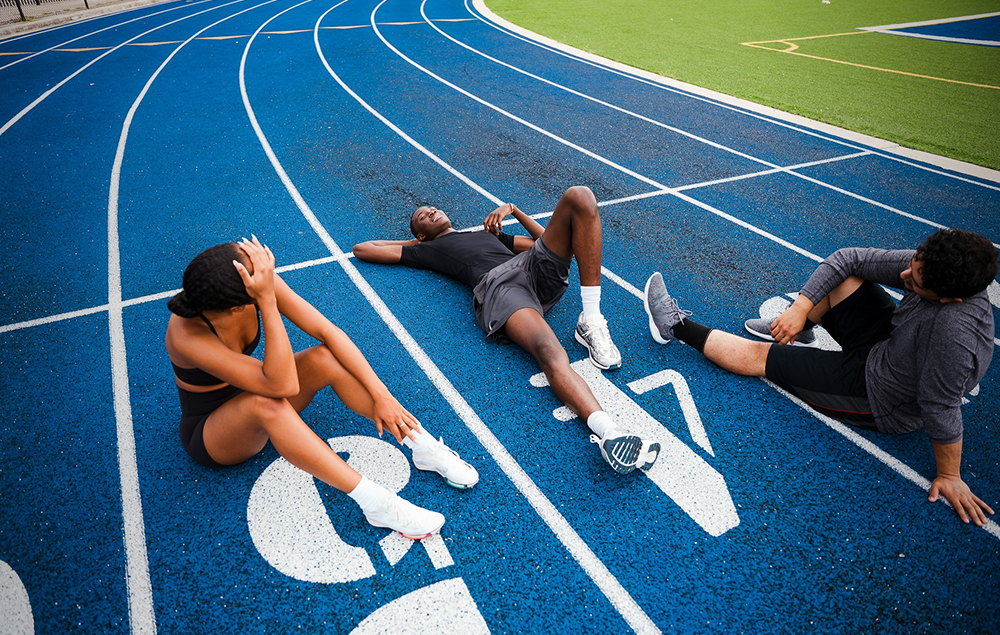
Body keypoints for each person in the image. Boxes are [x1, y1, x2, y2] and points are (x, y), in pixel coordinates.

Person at [642, 228, 997, 526]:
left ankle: (673, 326)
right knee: (846, 278)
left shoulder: (954, 337)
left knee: (762, 357)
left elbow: (940, 405)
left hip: (881, 395)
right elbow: (848, 258)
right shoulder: (934, 266)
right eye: (911, 267)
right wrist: (799, 309)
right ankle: (798, 326)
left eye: (915, 282)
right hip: (892, 345)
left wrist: (950, 475)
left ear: (950, 299)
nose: (905, 276)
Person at [165, 236, 479, 540]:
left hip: (257, 389)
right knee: (266, 404)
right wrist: (268, 301)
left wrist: (382, 395)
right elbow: (282, 384)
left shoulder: (251, 282)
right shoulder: (187, 335)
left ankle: (419, 444)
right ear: (237, 306)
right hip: (213, 433)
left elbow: (328, 332)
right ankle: (378, 504)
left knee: (324, 359)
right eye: (259, 275)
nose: (265, 271)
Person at [352, 186, 660, 475]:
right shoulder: (426, 250)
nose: (431, 212)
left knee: (579, 197)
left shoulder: (488, 236)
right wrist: (417, 244)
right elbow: (363, 248)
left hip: (532, 268)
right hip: (501, 287)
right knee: (551, 353)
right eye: (424, 216)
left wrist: (514, 210)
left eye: (432, 208)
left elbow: (552, 241)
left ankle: (590, 319)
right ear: (421, 233)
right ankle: (609, 433)